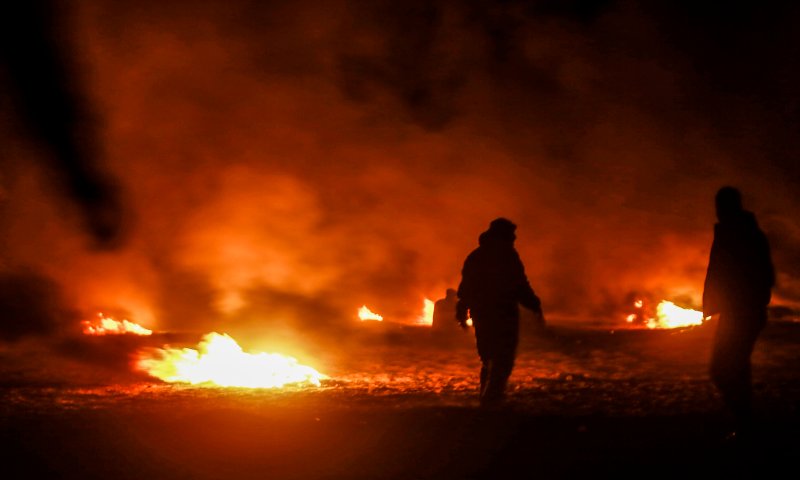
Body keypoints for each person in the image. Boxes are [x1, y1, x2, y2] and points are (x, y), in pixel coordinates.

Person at [703, 186, 775, 438]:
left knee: (721, 369)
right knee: (736, 367)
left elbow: (759, 275)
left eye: (721, 206)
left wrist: (740, 303)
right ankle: (746, 425)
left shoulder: (740, 235)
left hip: (741, 313)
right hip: (740, 312)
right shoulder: (742, 233)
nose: (718, 212)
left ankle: (747, 422)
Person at [456, 217, 544, 406]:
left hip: (482, 313)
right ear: (502, 235)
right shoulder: (507, 256)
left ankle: (486, 397)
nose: (514, 238)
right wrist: (534, 305)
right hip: (503, 313)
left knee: (488, 357)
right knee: (502, 357)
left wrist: (462, 311)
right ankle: (492, 399)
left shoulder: (476, 255)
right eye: (511, 234)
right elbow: (519, 284)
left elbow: (465, 288)